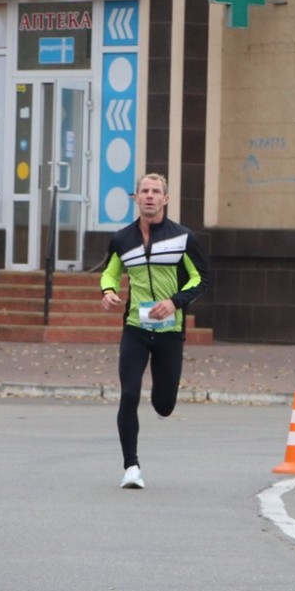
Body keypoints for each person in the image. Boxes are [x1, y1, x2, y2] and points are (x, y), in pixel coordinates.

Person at [99, 173, 207, 489]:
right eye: (144, 191)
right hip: (135, 328)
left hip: (170, 331)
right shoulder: (122, 239)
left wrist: (174, 302)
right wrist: (108, 291)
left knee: (164, 404)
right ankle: (131, 466)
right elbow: (110, 272)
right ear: (136, 198)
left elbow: (201, 278)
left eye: (155, 191)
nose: (149, 196)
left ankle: (162, 402)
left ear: (165, 199)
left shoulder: (183, 238)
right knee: (129, 394)